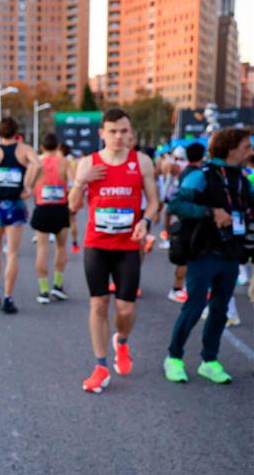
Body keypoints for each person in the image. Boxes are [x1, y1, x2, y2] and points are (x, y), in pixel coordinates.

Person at [68, 108, 159, 394]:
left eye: (124, 131)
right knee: (98, 305)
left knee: (126, 309)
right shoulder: (88, 163)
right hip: (96, 244)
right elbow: (73, 206)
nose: (119, 137)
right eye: (113, 131)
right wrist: (82, 181)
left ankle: (121, 340)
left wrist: (145, 220)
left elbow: (155, 202)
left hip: (128, 246)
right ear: (102, 133)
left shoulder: (141, 162)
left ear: (130, 133)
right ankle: (100, 365)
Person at [163, 127, 252, 384]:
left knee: (220, 309)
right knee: (194, 306)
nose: (250, 151)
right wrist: (211, 212)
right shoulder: (202, 176)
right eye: (246, 146)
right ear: (231, 148)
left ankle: (209, 360)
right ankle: (174, 357)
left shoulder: (242, 180)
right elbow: (176, 204)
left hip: (231, 254)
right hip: (204, 252)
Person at [0, 117, 41, 313]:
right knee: (12, 252)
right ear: (16, 132)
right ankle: (8, 297)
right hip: (15, 204)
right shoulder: (24, 149)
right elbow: (38, 165)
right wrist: (28, 186)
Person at [31, 133, 71, 303]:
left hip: (43, 208)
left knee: (42, 249)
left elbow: (29, 184)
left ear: (42, 147)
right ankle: (58, 285)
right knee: (61, 247)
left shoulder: (37, 163)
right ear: (57, 147)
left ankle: (43, 291)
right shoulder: (64, 162)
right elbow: (75, 182)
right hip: (60, 208)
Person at [167, 142, 206, 303]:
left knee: (188, 257)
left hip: (188, 221)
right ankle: (177, 289)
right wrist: (203, 212)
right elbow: (175, 203)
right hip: (189, 223)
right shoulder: (194, 175)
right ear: (202, 157)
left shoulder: (189, 171)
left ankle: (182, 288)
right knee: (185, 257)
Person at [59, 142, 81, 252]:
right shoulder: (74, 160)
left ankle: (62, 248)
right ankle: (75, 243)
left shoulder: (62, 162)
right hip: (73, 191)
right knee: (72, 220)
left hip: (63, 192)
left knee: (63, 222)